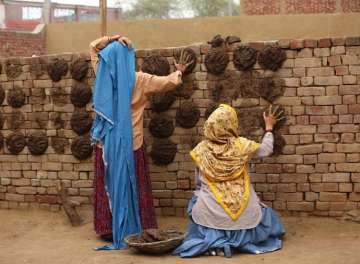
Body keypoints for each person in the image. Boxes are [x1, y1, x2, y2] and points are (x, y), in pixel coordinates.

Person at [89, 35, 193, 248]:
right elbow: (169, 82)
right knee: (135, 183)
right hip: (132, 144)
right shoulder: (139, 79)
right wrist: (180, 70)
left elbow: (93, 47)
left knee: (108, 183)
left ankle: (108, 227)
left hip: (106, 145)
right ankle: (138, 223)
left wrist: (113, 38)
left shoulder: (103, 76)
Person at [173, 104, 286, 258]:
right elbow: (266, 149)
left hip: (210, 212)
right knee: (262, 212)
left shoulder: (201, 150)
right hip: (243, 210)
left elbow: (198, 182)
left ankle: (215, 241)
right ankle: (240, 240)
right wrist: (268, 127)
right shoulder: (241, 146)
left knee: (197, 201)